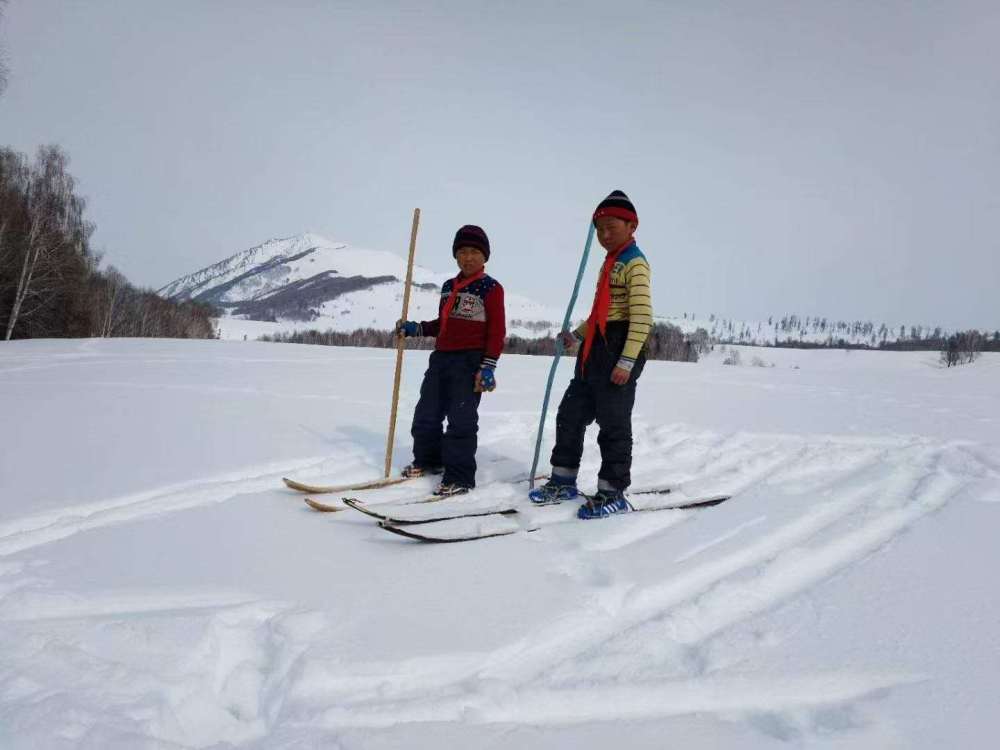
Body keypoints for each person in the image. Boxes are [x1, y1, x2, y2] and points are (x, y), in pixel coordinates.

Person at [529, 190, 653, 518]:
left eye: (611, 227)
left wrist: (627, 360)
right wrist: (575, 337)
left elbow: (641, 317)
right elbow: (600, 314)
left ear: (631, 225)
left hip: (619, 348)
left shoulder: (634, 263)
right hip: (593, 350)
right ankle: (563, 479)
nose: (604, 234)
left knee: (613, 423)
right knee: (570, 414)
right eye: (599, 229)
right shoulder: (608, 263)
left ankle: (612, 491)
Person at [396, 225, 506, 496]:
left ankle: (460, 476)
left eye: (474, 252)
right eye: (462, 252)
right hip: (441, 359)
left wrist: (488, 367)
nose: (467, 257)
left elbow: (497, 331)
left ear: (485, 256)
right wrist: (416, 329)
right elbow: (442, 324)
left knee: (461, 419)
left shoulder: (491, 288)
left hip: (470, 362)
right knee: (427, 414)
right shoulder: (448, 287)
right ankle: (430, 460)